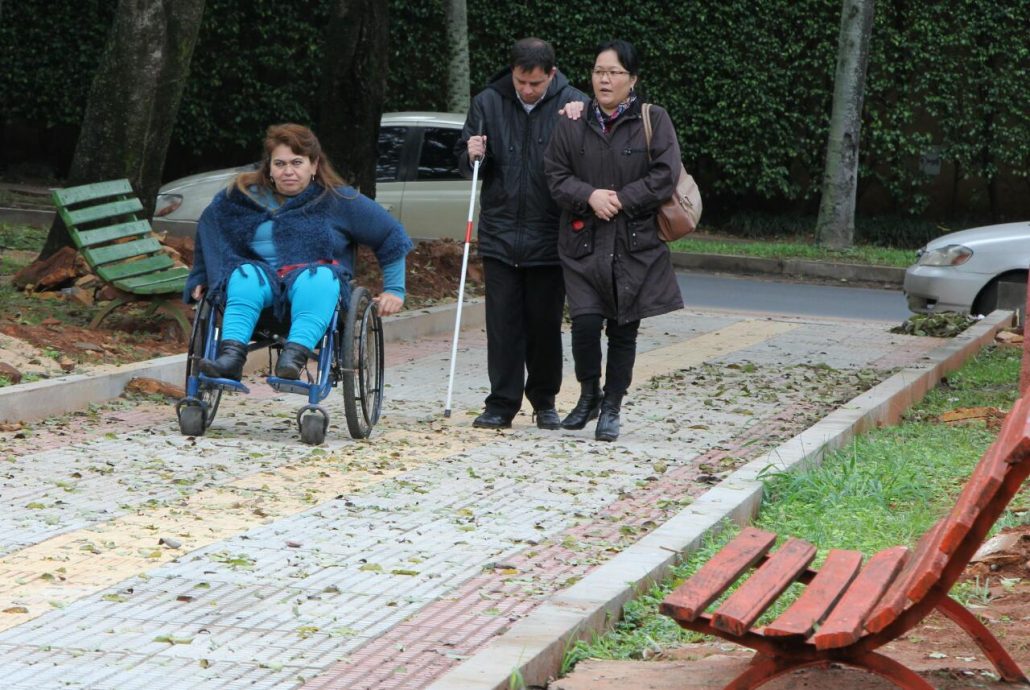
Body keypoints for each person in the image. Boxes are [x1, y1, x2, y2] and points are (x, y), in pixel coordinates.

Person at [184, 123, 413, 382]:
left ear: (313, 165)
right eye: (280, 164)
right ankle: (231, 358)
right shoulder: (242, 197)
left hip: (312, 291)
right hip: (259, 291)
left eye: (297, 162)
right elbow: (210, 228)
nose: (288, 171)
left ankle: (293, 358)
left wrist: (395, 290)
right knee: (245, 274)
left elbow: (391, 234)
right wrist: (202, 276)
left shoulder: (337, 200)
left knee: (320, 277)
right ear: (269, 167)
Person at [544, 39, 684, 442]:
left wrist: (622, 199)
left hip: (633, 244)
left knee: (623, 331)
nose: (604, 80)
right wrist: (589, 195)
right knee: (585, 323)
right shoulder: (572, 121)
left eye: (614, 73)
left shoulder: (653, 118)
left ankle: (612, 407)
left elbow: (665, 174)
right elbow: (555, 174)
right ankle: (589, 393)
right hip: (583, 243)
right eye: (598, 71)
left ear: (632, 79)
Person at [456, 37, 588, 430]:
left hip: (550, 234)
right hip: (500, 233)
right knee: (502, 325)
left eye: (536, 83)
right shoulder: (487, 102)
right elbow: (468, 166)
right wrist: (472, 153)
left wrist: (583, 121)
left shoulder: (574, 104)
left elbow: (592, 160)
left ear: (551, 74)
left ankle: (544, 402)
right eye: (521, 82)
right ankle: (501, 403)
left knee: (544, 326)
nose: (527, 90)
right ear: (512, 72)